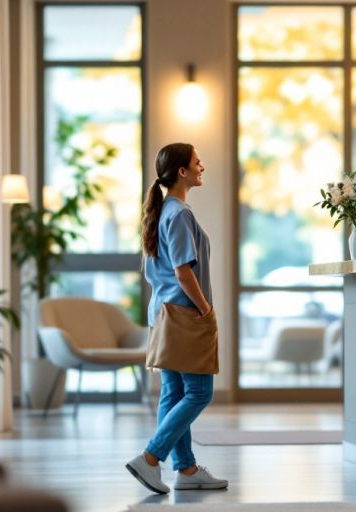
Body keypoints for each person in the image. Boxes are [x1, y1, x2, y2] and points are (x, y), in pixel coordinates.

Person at [125, 142, 228, 494]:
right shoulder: (179, 214)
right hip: (184, 313)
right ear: (182, 172)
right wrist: (206, 310)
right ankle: (151, 458)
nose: (203, 167)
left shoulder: (163, 211)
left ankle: (185, 469)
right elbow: (184, 271)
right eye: (198, 163)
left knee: (173, 391)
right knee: (199, 392)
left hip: (163, 312)